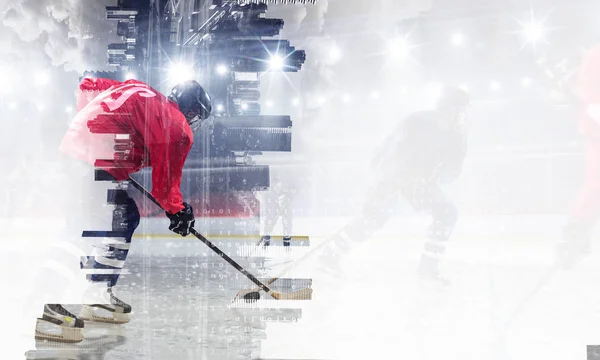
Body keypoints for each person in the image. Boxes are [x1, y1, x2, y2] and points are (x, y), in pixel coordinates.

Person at [34, 77, 212, 343]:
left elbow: (87, 85)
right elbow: (165, 186)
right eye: (196, 115)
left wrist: (96, 130)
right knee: (86, 226)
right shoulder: (177, 125)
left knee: (123, 217)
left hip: (82, 151)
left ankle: (97, 293)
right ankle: (46, 304)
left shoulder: (139, 88)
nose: (194, 122)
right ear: (191, 110)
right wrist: (179, 212)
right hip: (93, 158)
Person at [318, 87, 471, 286]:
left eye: (464, 111)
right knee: (376, 215)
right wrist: (384, 183)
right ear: (449, 108)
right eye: (460, 109)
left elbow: (452, 170)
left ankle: (428, 267)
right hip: (393, 175)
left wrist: (435, 175)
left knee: (447, 212)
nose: (462, 115)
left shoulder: (456, 135)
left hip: (419, 182)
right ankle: (330, 256)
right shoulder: (417, 121)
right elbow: (389, 149)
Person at [557, 43, 600, 268]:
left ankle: (575, 234)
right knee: (596, 187)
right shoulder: (595, 58)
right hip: (597, 132)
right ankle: (574, 236)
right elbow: (592, 103)